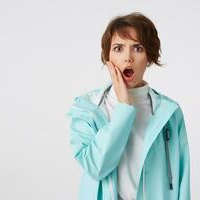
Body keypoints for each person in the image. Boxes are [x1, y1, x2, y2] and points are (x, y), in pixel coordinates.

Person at [67, 12, 191, 200]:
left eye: (138, 48)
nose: (128, 58)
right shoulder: (86, 109)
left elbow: (183, 179)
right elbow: (96, 167)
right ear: (107, 56)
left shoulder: (169, 112)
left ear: (149, 57)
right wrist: (124, 107)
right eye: (118, 48)